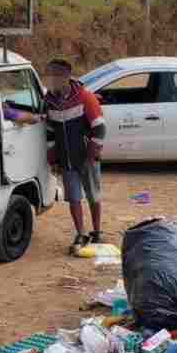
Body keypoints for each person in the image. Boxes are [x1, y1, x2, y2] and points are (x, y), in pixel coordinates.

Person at [43, 58, 106, 251]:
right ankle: (81, 234)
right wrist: (53, 159)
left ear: (66, 77)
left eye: (56, 76)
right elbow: (50, 132)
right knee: (74, 198)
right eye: (50, 76)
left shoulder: (85, 97)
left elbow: (100, 130)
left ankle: (97, 232)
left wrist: (90, 156)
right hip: (66, 160)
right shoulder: (49, 102)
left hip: (87, 157)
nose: (52, 80)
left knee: (93, 196)